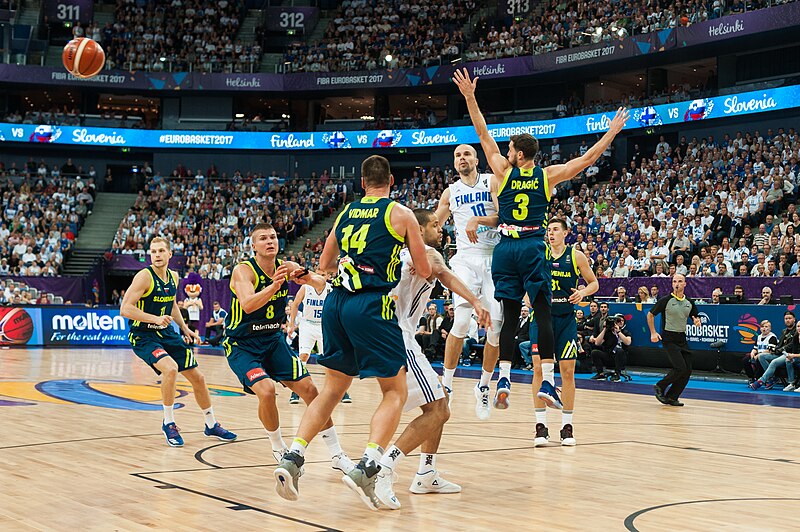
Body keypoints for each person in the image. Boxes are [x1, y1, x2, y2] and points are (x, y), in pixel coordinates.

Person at [453, 67, 628, 409]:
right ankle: (547, 382)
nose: (504, 151)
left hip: (505, 247)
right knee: (544, 311)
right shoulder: (547, 177)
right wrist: (612, 132)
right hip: (534, 246)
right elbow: (590, 158)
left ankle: (503, 375)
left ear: (518, 154)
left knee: (507, 311)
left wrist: (470, 98)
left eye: (509, 148)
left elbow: (482, 132)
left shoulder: (502, 173)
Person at [274, 155, 431, 508]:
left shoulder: (345, 213)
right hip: (372, 305)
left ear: (362, 184)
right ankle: (368, 465)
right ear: (391, 181)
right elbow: (422, 268)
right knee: (394, 391)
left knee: (332, 389)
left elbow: (325, 265)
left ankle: (293, 457)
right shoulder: (402, 215)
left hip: (336, 304)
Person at [373, 208, 491, 509]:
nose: (440, 230)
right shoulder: (424, 253)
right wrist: (475, 300)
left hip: (390, 335)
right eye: (435, 225)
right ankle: (383, 468)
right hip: (400, 338)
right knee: (439, 410)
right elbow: (443, 273)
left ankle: (426, 472)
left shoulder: (393, 255)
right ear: (418, 229)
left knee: (439, 404)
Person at [224, 223, 354, 472]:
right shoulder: (243, 271)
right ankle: (278, 446)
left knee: (311, 390)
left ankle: (337, 454)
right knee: (266, 390)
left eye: (273, 237)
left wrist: (310, 278)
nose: (270, 241)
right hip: (243, 345)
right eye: (263, 238)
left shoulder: (288, 267)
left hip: (273, 341)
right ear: (253, 246)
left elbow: (318, 284)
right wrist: (274, 286)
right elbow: (248, 304)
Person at [120, 237, 236, 447]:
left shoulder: (173, 277)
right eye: (153, 251)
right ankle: (169, 422)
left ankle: (211, 424)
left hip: (167, 333)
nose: (156, 255)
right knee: (170, 369)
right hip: (144, 335)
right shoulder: (144, 277)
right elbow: (125, 309)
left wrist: (185, 329)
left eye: (161, 251)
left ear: (169, 254)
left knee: (198, 378)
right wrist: (154, 318)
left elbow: (172, 304)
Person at [434, 143, 502, 420]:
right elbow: (434, 225)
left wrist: (478, 219)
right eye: (458, 156)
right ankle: (446, 386)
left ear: (476, 159)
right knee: (461, 321)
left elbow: (504, 217)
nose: (462, 158)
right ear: (454, 163)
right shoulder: (450, 192)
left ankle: (483, 386)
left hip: (493, 256)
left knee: (496, 325)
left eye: (467, 154)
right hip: (464, 258)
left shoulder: (492, 181)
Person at [529, 219, 598, 446]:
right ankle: (540, 426)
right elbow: (524, 282)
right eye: (548, 230)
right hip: (541, 318)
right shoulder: (539, 253)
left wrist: (582, 293)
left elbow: (594, 283)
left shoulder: (576, 256)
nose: (551, 233)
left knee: (567, 372)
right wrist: (526, 297)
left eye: (555, 229)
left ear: (566, 233)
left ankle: (567, 426)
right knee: (538, 368)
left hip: (565, 319)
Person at [287, 274, 352, 405]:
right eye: (318, 274)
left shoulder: (332, 289)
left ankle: (341, 390)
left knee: (330, 359)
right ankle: (296, 391)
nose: (320, 277)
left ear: (327, 276)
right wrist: (291, 324)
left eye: (323, 275)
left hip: (324, 325)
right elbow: (295, 305)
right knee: (303, 356)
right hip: (307, 325)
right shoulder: (305, 288)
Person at [648, 274, 703, 406]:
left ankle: (672, 396)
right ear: (672, 284)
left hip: (682, 338)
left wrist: (696, 320)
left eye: (679, 281)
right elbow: (650, 315)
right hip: (668, 338)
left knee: (687, 369)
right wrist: (653, 332)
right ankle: (660, 386)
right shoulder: (665, 300)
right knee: (680, 367)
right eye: (674, 281)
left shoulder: (689, 302)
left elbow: (694, 315)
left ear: (685, 284)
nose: (676, 283)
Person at [753, 312, 798, 391]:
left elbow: (790, 345)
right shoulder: (784, 331)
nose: (787, 320)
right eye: (786, 319)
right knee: (761, 356)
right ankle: (772, 378)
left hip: (789, 354)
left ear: (794, 319)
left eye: (789, 318)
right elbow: (779, 344)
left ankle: (761, 380)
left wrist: (779, 350)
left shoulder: (797, 332)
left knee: (774, 362)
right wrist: (774, 349)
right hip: (780, 353)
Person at [589, 314, 631, 382]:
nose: (621, 322)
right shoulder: (608, 333)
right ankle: (600, 374)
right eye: (619, 321)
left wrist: (618, 332)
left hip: (620, 358)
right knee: (595, 352)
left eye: (622, 321)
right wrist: (605, 328)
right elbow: (597, 343)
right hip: (609, 356)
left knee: (619, 351)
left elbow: (628, 342)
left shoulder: (625, 332)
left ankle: (617, 374)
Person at [744, 319, 778, 387]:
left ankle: (763, 378)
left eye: (766, 326)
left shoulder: (772, 337)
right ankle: (752, 377)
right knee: (746, 359)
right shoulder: (759, 337)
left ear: (770, 328)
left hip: (769, 355)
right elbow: (755, 348)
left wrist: (759, 355)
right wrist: (752, 352)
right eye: (762, 327)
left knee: (760, 359)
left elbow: (770, 350)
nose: (764, 328)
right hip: (759, 354)